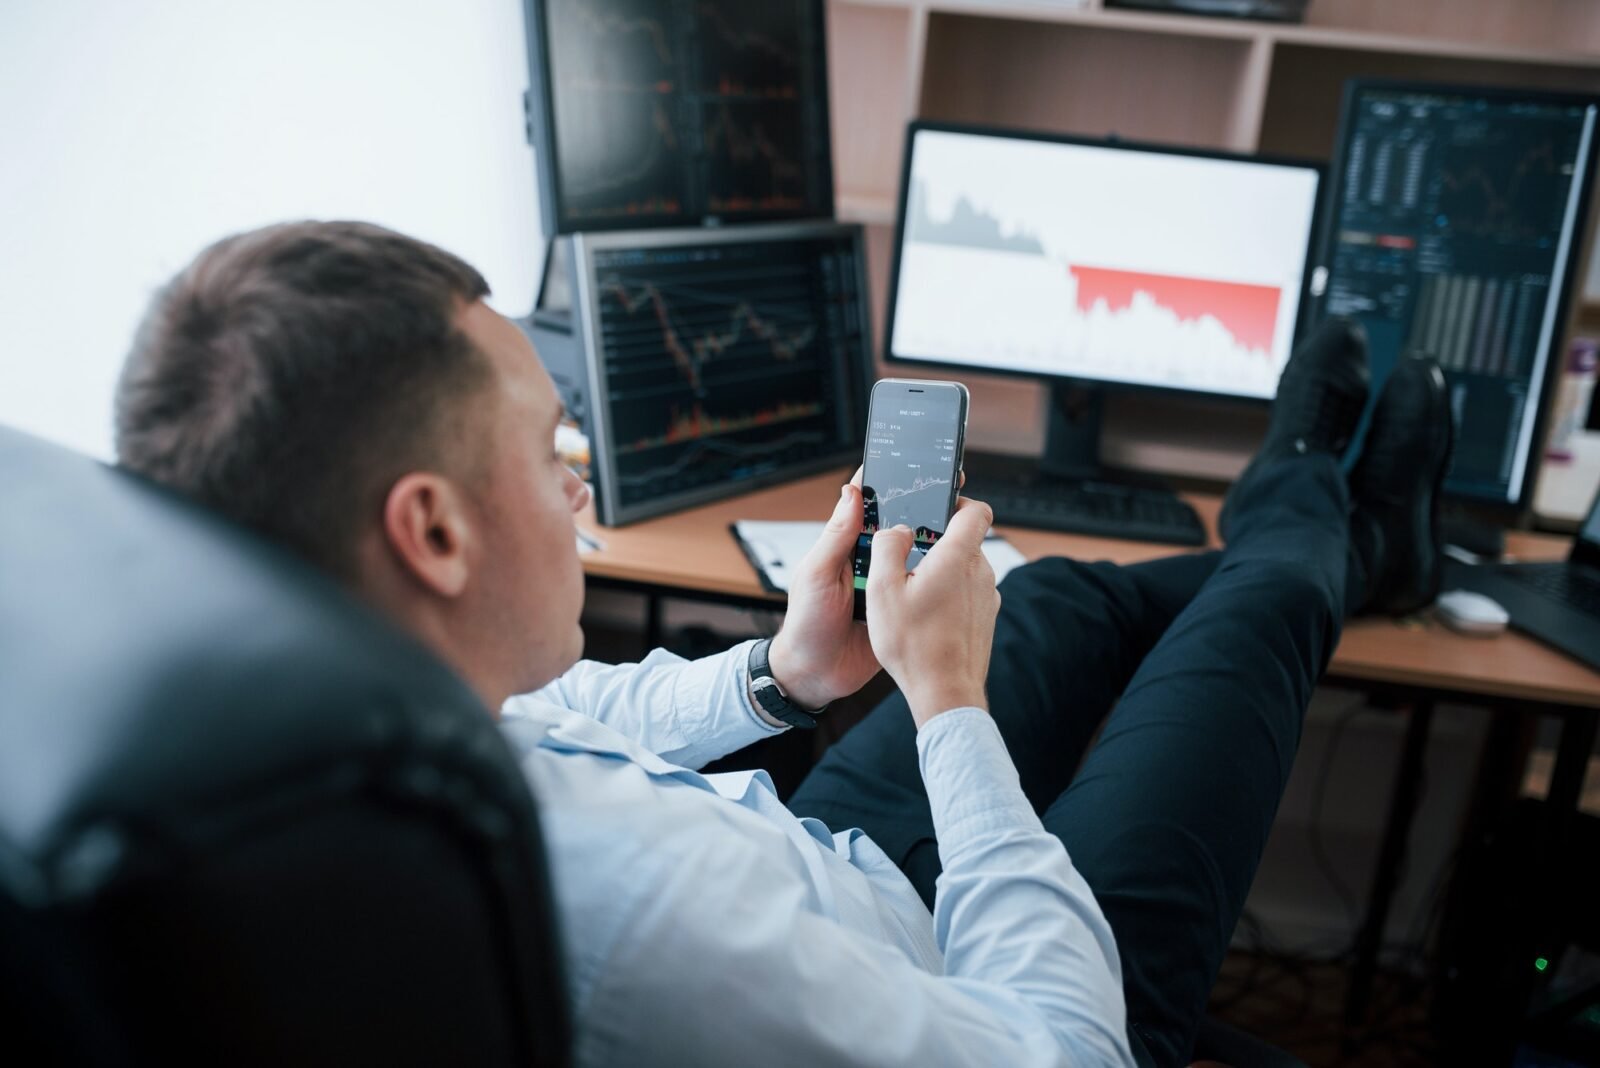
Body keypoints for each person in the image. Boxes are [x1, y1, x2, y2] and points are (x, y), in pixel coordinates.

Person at [113, 221, 1451, 1068]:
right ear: (434, 534)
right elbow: (1063, 1053)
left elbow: (582, 710)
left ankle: (1346, 542)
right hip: (1029, 1001)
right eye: (546, 449)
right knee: (1263, 612)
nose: (580, 484)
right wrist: (947, 709)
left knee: (1051, 600)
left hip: (830, 866)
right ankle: (1316, 522)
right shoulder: (634, 925)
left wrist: (787, 674)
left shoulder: (349, 708)